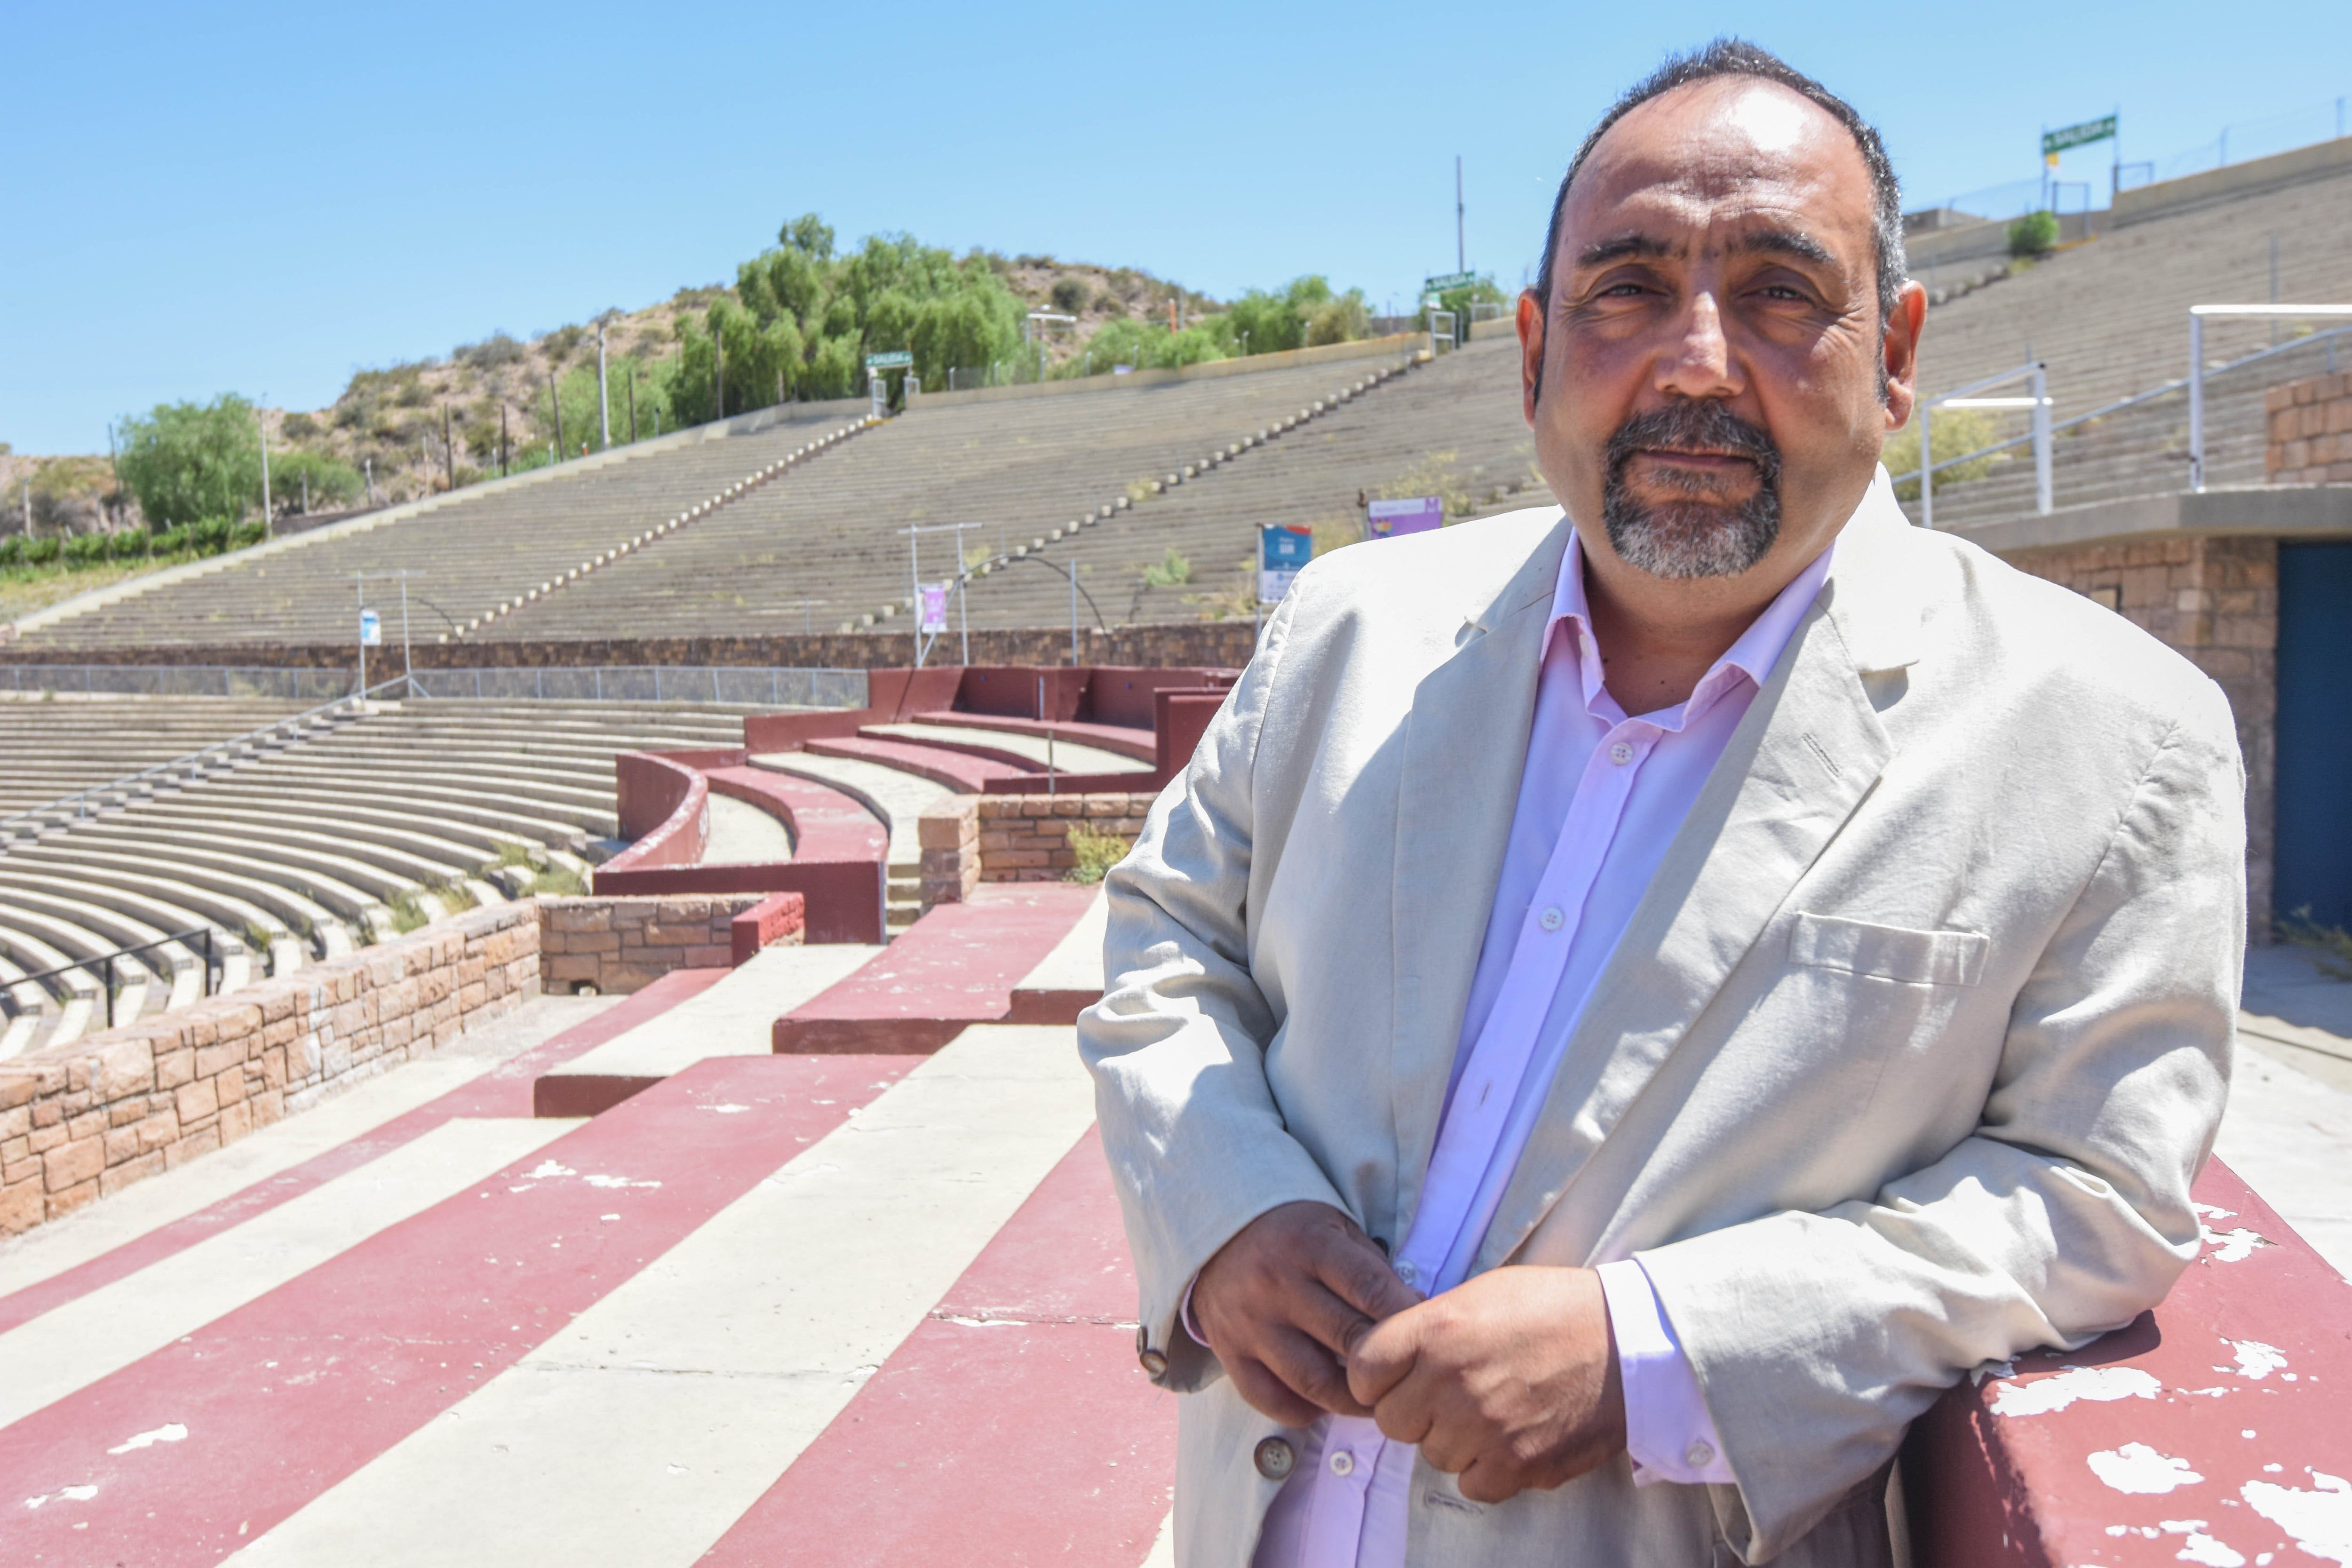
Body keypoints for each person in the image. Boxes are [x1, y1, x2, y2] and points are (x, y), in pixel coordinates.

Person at [1077, 37, 2246, 1568]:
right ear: (1532, 356)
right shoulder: (1347, 631)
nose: (1696, 362)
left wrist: (1659, 1352)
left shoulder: (2117, 737)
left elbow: (2097, 1195)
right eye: (1626, 290)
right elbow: (1168, 943)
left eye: (1780, 291)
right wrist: (1223, 1209)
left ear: (1896, 353)